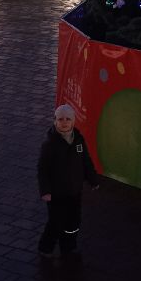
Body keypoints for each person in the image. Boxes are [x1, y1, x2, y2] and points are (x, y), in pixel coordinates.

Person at [37, 103, 99, 260]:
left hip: (74, 191)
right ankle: (46, 247)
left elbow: (86, 160)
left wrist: (93, 179)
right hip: (56, 193)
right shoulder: (50, 144)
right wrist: (45, 191)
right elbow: (42, 169)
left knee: (73, 220)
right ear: (55, 121)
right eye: (60, 119)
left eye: (68, 119)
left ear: (73, 121)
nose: (64, 122)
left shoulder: (78, 140)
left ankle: (69, 245)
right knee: (56, 221)